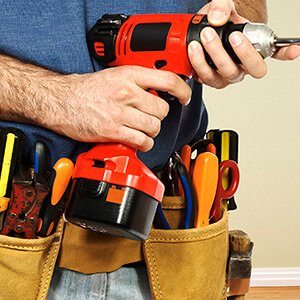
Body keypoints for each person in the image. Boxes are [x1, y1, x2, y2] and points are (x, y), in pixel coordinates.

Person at [0, 0, 299, 299]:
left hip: (167, 243)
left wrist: (234, 32)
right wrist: (57, 98)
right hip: (13, 244)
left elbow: (248, 6)